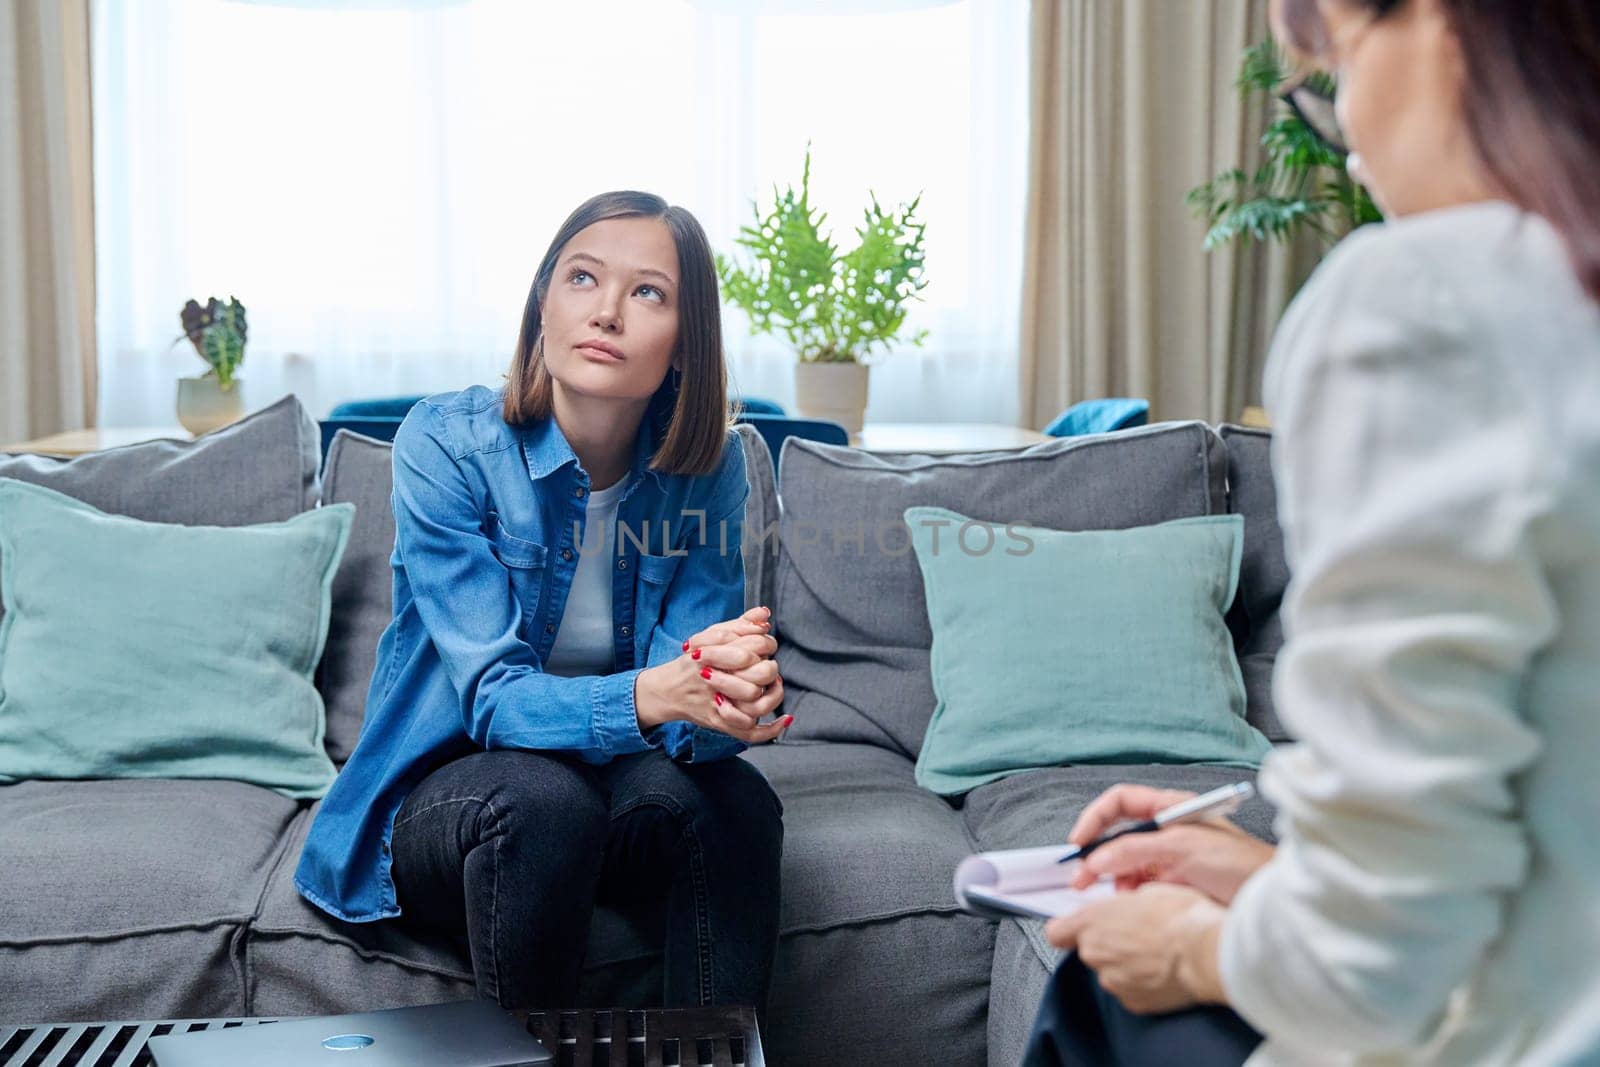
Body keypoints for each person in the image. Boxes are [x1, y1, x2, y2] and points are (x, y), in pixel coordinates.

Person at [1024, 0, 1600, 1063]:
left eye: (1332, 62)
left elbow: (1370, 971)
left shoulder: (1424, 301)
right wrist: (1271, 877)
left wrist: (1195, 950)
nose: (1350, 126)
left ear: (1433, 24)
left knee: (1107, 984)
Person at [294, 191, 792, 1015]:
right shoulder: (445, 445)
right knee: (545, 802)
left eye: (648, 293)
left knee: (736, 802)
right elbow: (493, 701)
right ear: (542, 306)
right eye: (582, 277)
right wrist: (661, 693)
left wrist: (729, 707)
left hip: (614, 794)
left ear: (684, 346)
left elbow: (687, 699)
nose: (606, 311)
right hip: (454, 802)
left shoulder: (711, 469)